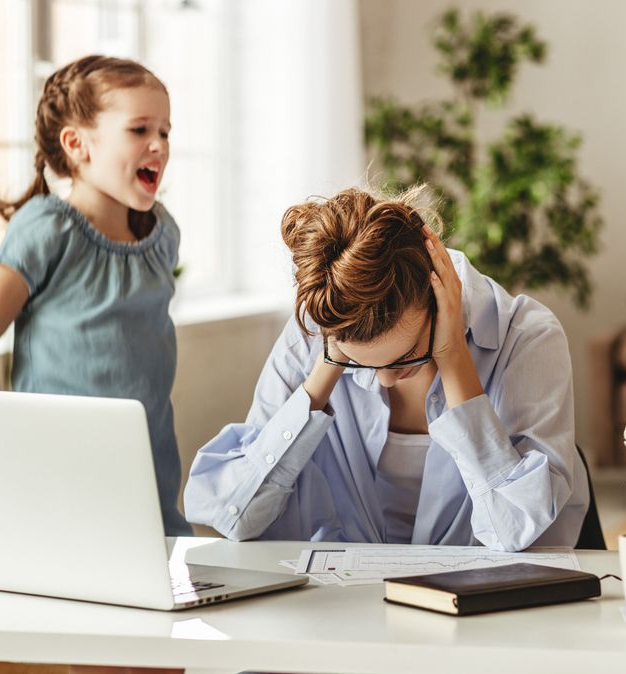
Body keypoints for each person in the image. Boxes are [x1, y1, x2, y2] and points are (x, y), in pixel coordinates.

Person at [184, 186, 588, 551]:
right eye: (361, 363)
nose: (386, 378)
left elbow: (517, 533)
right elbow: (234, 517)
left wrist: (454, 360)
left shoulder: (527, 338)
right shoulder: (315, 335)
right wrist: (328, 367)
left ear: (439, 292)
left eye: (406, 354)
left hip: (483, 616)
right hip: (346, 608)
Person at [0, 55, 192, 536]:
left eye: (165, 132)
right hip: (54, 489)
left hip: (149, 489)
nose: (159, 145)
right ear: (76, 144)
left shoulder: (163, 235)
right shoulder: (47, 231)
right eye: (139, 129)